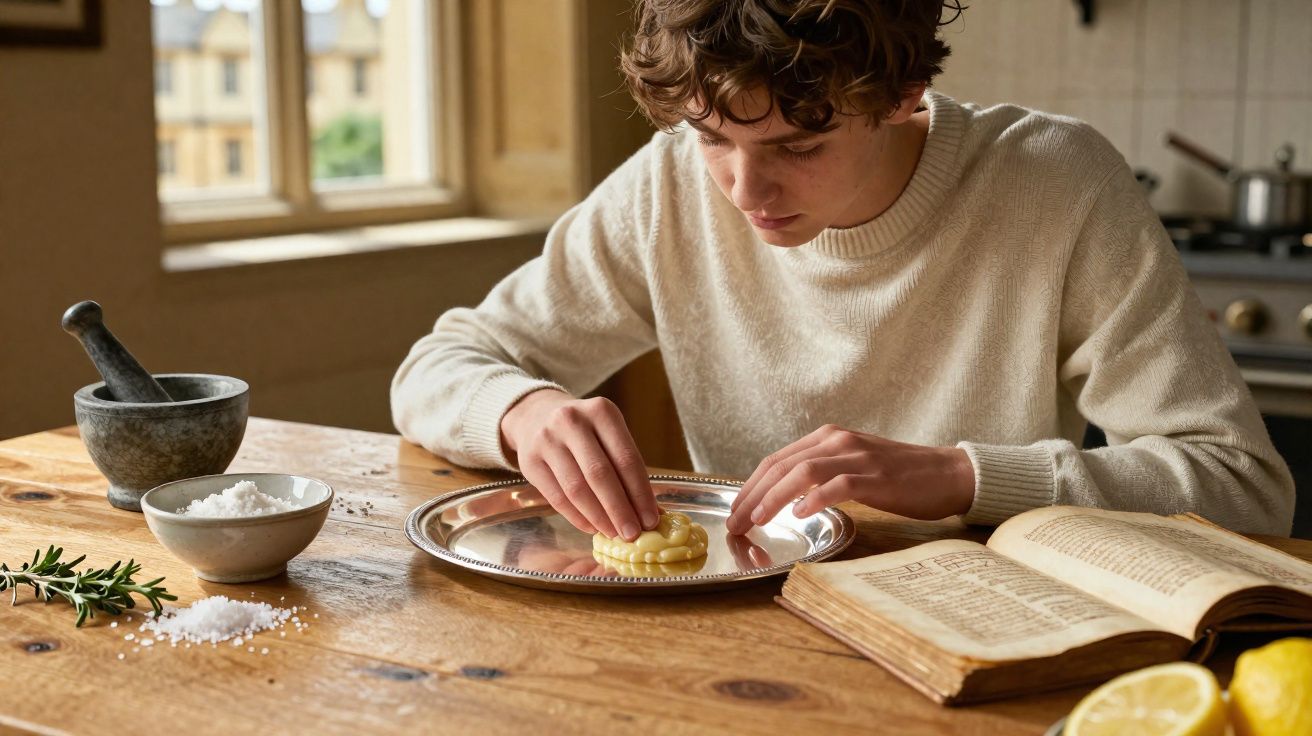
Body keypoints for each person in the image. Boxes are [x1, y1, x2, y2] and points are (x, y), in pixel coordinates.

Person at [391, 0, 1295, 541]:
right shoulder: (669, 184)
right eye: (713, 139)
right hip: (749, 632)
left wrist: (960, 476)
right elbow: (436, 366)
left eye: (800, 144)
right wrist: (524, 411)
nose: (744, 189)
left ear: (903, 97)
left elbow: (1244, 487)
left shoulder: (1057, 184)